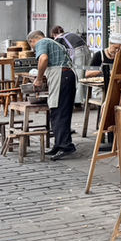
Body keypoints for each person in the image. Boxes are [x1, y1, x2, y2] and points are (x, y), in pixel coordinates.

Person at [27, 29, 77, 160]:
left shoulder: (42, 42)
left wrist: (38, 78)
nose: (33, 49)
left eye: (32, 46)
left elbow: (43, 59)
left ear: (32, 40)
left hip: (61, 76)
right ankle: (59, 144)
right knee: (59, 111)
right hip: (66, 76)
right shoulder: (54, 42)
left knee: (59, 111)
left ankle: (66, 146)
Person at [51, 26, 91, 105]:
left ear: (54, 34)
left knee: (78, 77)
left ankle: (78, 101)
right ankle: (87, 98)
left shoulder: (59, 39)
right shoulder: (70, 34)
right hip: (87, 51)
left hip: (78, 53)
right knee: (86, 75)